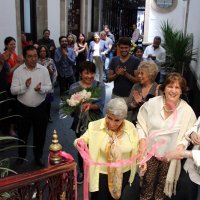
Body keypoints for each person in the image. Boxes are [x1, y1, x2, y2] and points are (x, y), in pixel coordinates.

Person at [137, 72, 196, 200]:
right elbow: (141, 124)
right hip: (150, 153)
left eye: (177, 87)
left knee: (162, 187)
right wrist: (142, 141)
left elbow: (188, 134)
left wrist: (180, 147)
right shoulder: (152, 103)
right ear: (164, 88)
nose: (173, 90)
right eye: (170, 86)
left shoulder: (187, 111)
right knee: (147, 183)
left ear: (182, 91)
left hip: (170, 156)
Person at [74, 98, 146, 200]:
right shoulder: (95, 126)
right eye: (109, 118)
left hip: (123, 172)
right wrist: (79, 142)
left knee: (116, 198)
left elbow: (137, 147)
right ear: (106, 113)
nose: (112, 123)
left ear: (123, 118)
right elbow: (82, 139)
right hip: (101, 173)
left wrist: (142, 160)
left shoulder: (130, 128)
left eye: (117, 120)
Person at [11, 45, 52, 167]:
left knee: (40, 134)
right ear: (24, 57)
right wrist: (25, 87)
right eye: (30, 56)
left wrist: (41, 89)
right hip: (23, 108)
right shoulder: (18, 71)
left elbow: (49, 87)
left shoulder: (43, 70)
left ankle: (38, 156)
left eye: (35, 56)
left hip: (40, 107)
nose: (33, 59)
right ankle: (21, 156)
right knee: (22, 134)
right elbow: (13, 90)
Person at [69, 61, 105, 184]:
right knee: (82, 148)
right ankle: (82, 171)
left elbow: (101, 104)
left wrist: (91, 105)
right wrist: (76, 106)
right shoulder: (74, 87)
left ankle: (97, 170)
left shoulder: (100, 86)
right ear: (80, 74)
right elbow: (70, 109)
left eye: (92, 73)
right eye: (86, 73)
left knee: (97, 147)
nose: (89, 76)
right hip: (80, 123)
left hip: (96, 122)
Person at [165, 117, 200, 200]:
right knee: (192, 194)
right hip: (195, 171)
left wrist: (184, 153)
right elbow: (196, 125)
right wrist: (192, 133)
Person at [108, 37, 140, 104]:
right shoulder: (114, 60)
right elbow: (109, 78)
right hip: (115, 95)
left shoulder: (136, 61)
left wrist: (126, 74)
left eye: (126, 48)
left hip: (129, 96)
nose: (124, 50)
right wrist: (116, 74)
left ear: (130, 48)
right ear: (118, 48)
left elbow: (137, 80)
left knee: (127, 114)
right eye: (122, 48)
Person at [37, 45, 57, 122]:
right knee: (39, 101)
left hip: (48, 83)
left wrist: (50, 71)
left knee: (48, 102)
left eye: (44, 51)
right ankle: (40, 116)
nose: (43, 52)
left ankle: (48, 116)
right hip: (38, 84)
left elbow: (54, 73)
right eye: (41, 51)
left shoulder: (50, 60)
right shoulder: (36, 61)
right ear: (38, 52)